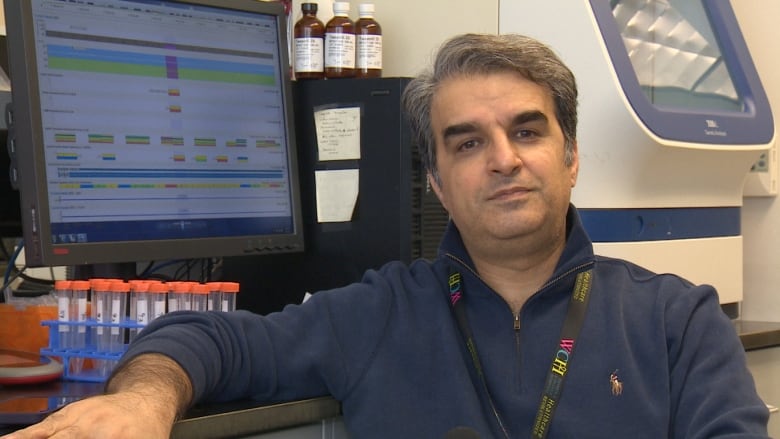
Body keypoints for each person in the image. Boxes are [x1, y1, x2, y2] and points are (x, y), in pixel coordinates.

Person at [3, 33, 768, 439]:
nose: (502, 158)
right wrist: (143, 400)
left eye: (526, 131)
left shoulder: (679, 324)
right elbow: (212, 340)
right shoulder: (377, 314)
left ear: (570, 159)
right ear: (437, 184)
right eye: (466, 142)